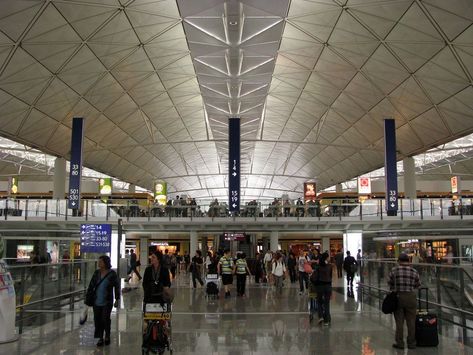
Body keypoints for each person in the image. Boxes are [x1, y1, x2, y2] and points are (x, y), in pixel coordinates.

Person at [86, 255, 120, 347]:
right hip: (96, 301)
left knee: (105, 319)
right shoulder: (96, 273)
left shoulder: (112, 274)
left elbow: (117, 286)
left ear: (105, 263)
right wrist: (88, 298)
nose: (99, 263)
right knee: (97, 320)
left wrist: (117, 298)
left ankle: (107, 336)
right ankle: (100, 337)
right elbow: (91, 286)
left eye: (100, 261)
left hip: (107, 301)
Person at [388, 253, 420, 350]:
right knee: (411, 322)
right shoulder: (414, 271)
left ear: (399, 261)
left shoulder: (394, 270)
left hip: (398, 297)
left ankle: (400, 343)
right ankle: (411, 343)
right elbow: (418, 285)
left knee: (399, 322)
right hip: (410, 297)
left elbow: (390, 282)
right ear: (408, 261)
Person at [311, 252, 333, 326]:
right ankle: (326, 321)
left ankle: (320, 316)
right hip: (327, 287)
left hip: (319, 287)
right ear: (326, 258)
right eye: (328, 257)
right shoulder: (330, 266)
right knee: (327, 304)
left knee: (319, 302)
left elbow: (314, 277)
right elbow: (330, 278)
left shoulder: (318, 266)